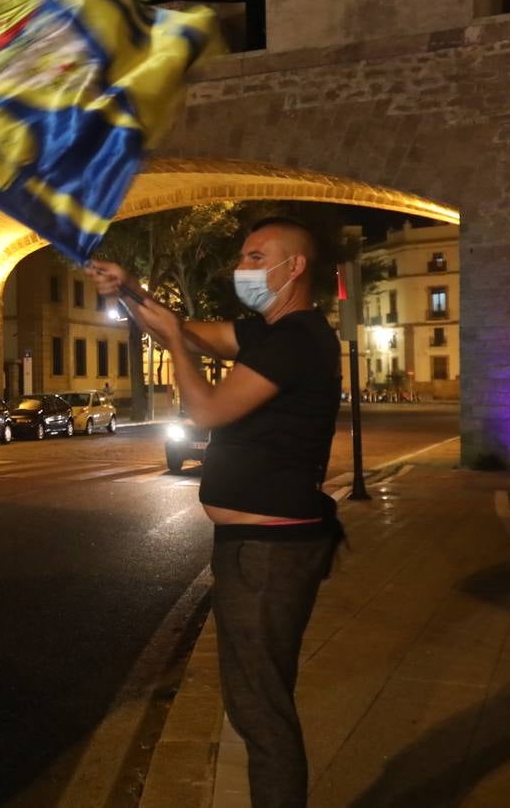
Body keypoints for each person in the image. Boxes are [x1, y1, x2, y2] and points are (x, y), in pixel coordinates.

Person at [87, 216, 342, 808]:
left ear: (294, 266)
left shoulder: (299, 339)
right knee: (253, 701)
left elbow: (204, 410)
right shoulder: (270, 333)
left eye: (256, 257)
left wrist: (175, 345)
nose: (243, 268)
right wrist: (129, 289)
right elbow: (180, 327)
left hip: (271, 552)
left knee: (260, 709)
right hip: (254, 549)